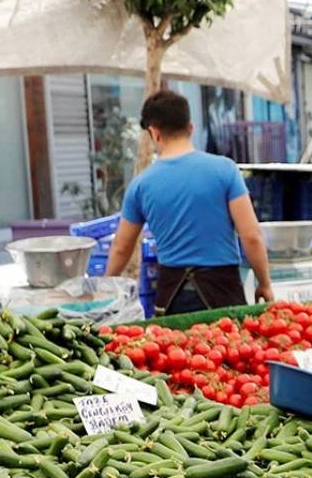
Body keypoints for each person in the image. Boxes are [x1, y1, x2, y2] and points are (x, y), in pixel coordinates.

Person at [106, 89, 273, 314]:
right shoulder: (225, 170)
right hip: (223, 293)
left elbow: (121, 248)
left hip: (172, 298)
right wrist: (264, 283)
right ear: (191, 128)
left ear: (154, 133)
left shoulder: (140, 185)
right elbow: (251, 236)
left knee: (178, 348)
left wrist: (104, 287)